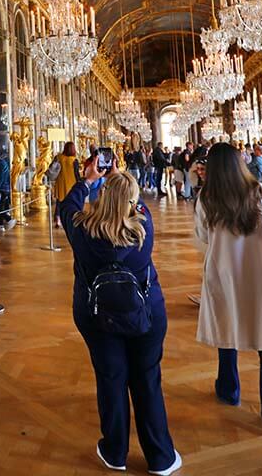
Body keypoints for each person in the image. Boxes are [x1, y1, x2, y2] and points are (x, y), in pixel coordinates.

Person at [59, 155, 182, 475]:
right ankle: (161, 457)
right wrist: (120, 177)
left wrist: (86, 180)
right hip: (146, 313)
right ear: (132, 199)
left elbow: (66, 207)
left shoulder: (82, 230)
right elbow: (137, 204)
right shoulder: (143, 227)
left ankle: (115, 452)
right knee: (147, 380)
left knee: (111, 379)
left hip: (97, 316)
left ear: (101, 194)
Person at [195, 142, 262, 432]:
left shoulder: (207, 197)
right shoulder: (258, 191)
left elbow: (202, 235)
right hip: (260, 272)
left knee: (225, 328)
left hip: (223, 271)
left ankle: (229, 389)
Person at [50, 142, 81, 229]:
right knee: (71, 202)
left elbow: (52, 167)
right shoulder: (74, 160)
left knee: (59, 202)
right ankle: (70, 218)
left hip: (60, 183)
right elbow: (76, 174)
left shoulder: (59, 157)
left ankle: (58, 219)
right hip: (71, 184)